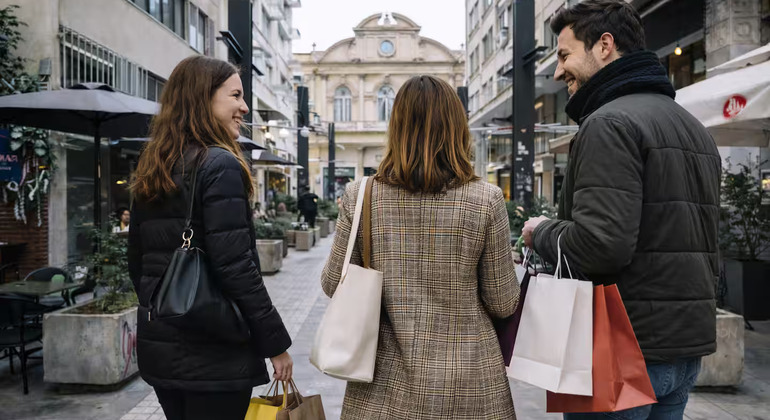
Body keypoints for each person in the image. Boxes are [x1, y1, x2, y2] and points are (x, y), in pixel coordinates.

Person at [520, 2, 720, 419]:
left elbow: (600, 245)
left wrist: (540, 231)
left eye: (564, 55)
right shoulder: (693, 128)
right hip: (682, 351)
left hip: (621, 351)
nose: (558, 73)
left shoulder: (608, 124)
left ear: (605, 46)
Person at [321, 75, 520, 420]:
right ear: (458, 127)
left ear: (395, 127)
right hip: (469, 382)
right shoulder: (485, 200)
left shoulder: (362, 195)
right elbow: (502, 302)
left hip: (383, 384)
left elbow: (331, 284)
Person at [127, 56, 293, 420]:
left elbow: (136, 259)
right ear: (204, 98)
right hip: (214, 353)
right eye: (235, 95)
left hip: (162, 350)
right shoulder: (220, 165)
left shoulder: (155, 163)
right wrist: (276, 343)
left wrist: (165, 311)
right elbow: (237, 268)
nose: (244, 107)